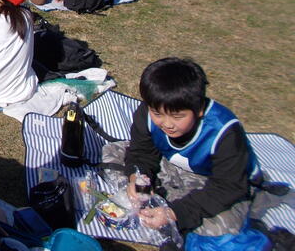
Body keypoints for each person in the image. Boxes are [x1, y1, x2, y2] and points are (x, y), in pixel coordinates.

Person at [103, 58, 261, 237]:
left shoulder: (224, 132)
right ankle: (157, 199)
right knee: (111, 151)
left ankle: (167, 205)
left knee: (222, 228)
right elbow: (141, 152)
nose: (167, 124)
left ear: (199, 109)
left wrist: (175, 213)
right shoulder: (147, 112)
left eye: (177, 117)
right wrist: (137, 178)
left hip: (210, 179)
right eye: (157, 114)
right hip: (170, 163)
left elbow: (229, 186)